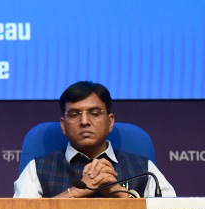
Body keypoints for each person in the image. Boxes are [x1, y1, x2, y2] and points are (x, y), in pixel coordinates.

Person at [14, 81, 175, 198]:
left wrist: (120, 193)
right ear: (63, 125)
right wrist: (75, 193)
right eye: (74, 114)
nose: (84, 121)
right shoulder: (37, 168)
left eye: (95, 113)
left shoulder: (144, 168)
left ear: (110, 121)